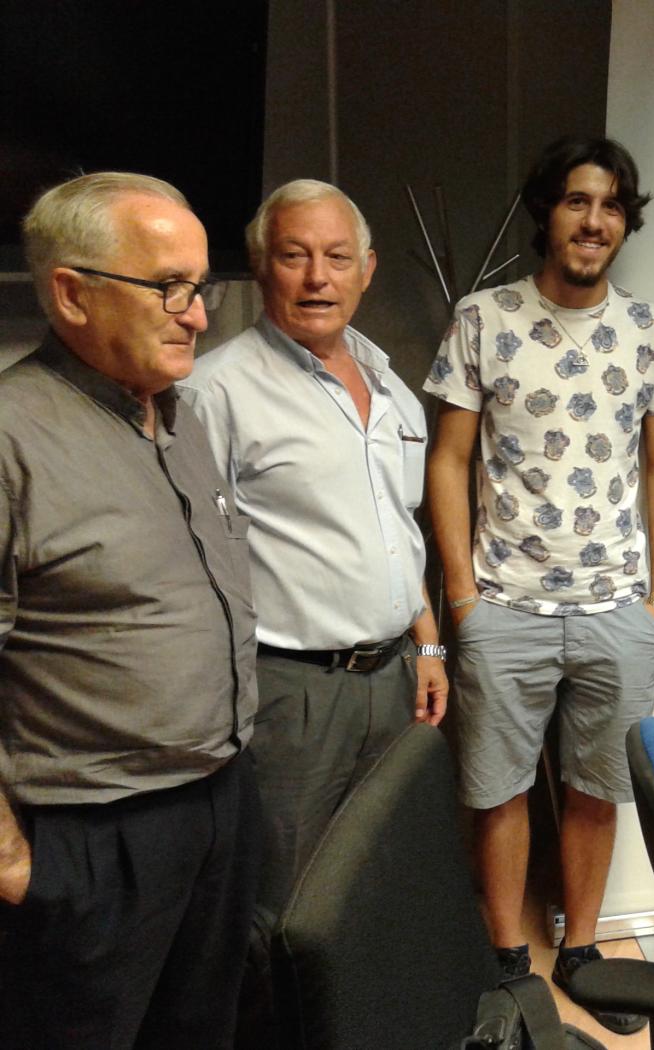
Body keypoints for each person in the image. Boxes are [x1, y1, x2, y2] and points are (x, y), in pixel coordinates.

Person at [424, 135, 654, 1034]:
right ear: (547, 211)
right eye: (578, 201)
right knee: (496, 788)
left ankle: (580, 951)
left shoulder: (650, 330)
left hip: (617, 606)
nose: (595, 221)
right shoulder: (483, 319)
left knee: (596, 788)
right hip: (505, 606)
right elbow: (450, 459)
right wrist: (462, 595)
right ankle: (508, 962)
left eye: (612, 205)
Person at [180, 180, 448, 1032]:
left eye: (337, 257)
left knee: (377, 882)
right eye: (294, 255)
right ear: (262, 268)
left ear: (366, 270)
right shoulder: (217, 390)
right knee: (285, 906)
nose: (317, 277)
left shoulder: (388, 378)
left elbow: (398, 531)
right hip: (290, 690)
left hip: (396, 674)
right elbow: (191, 555)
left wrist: (429, 643)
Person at [0, 172, 260, 1048]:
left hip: (219, 805)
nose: (198, 316)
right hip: (95, 838)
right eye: (169, 288)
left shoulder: (180, 416)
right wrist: (13, 863)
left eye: (202, 286)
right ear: (72, 294)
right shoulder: (10, 437)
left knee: (200, 1032)